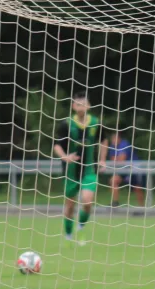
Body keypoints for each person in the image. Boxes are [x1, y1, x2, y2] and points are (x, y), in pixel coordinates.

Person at [53, 91, 106, 245]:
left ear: (88, 105)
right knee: (70, 206)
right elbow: (57, 145)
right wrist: (65, 157)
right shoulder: (66, 124)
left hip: (89, 170)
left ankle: (80, 228)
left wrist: (102, 160)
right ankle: (68, 236)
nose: (81, 106)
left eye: (83, 103)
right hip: (71, 171)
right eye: (78, 103)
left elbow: (104, 140)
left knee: (87, 202)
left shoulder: (96, 123)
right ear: (73, 106)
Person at [101, 131, 145, 207]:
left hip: (133, 169)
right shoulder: (112, 146)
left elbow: (122, 159)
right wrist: (118, 159)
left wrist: (118, 159)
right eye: (112, 139)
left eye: (114, 138)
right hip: (122, 170)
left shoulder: (125, 144)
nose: (113, 140)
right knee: (113, 181)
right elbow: (113, 159)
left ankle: (141, 207)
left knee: (137, 187)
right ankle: (115, 202)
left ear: (118, 138)